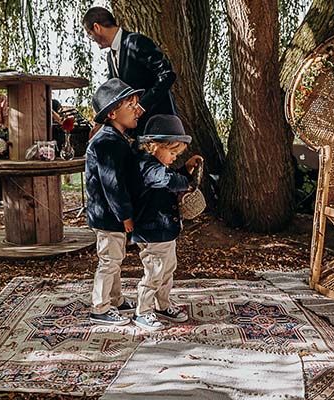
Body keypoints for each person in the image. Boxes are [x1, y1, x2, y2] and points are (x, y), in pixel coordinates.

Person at [131, 115, 202, 331]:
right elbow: (168, 181)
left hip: (165, 232)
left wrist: (186, 169)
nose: (173, 158)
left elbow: (172, 177)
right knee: (154, 272)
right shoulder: (147, 166)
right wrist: (188, 183)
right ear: (154, 146)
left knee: (167, 269)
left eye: (176, 154)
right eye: (172, 153)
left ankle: (162, 304)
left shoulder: (160, 165)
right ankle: (142, 311)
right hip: (152, 232)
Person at [86, 78, 143, 326]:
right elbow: (112, 184)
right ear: (112, 113)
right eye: (131, 105)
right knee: (109, 260)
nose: (138, 110)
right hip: (109, 214)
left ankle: (116, 299)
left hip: (112, 214)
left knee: (115, 257)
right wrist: (125, 215)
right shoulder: (107, 142)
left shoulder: (117, 139)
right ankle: (99, 307)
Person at [82, 6, 177, 138]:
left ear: (97, 27)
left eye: (89, 34)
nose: (91, 39)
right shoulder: (110, 57)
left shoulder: (136, 42)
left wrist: (142, 105)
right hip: (135, 129)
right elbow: (113, 94)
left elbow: (167, 74)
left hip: (158, 124)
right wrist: (100, 122)